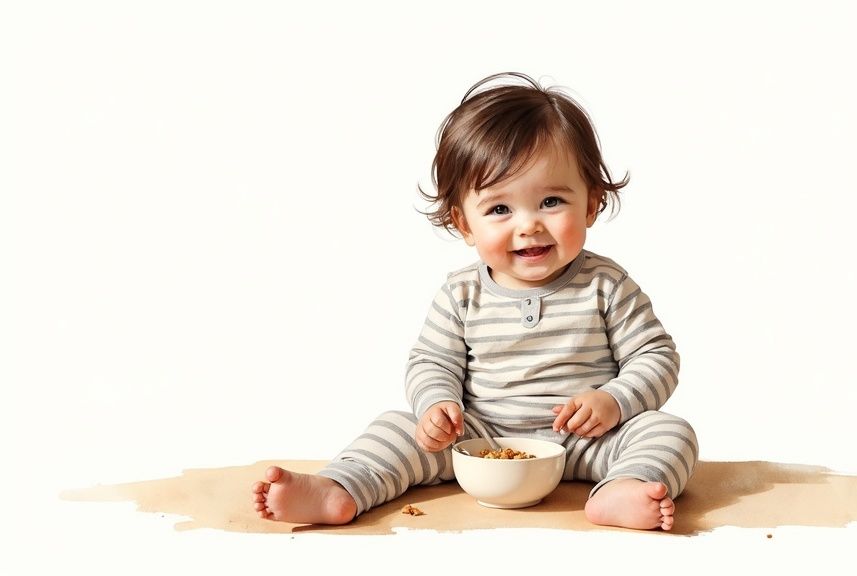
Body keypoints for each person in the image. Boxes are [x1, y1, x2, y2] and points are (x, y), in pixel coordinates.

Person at [251, 72, 698, 531]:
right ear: (463, 223)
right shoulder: (461, 293)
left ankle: (624, 488)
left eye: (551, 201)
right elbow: (431, 360)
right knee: (396, 427)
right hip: (477, 443)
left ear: (590, 204)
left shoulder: (605, 284)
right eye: (500, 209)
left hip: (588, 441)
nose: (528, 225)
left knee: (669, 432)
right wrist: (437, 406)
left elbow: (656, 356)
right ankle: (339, 487)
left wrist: (614, 400)